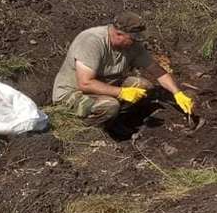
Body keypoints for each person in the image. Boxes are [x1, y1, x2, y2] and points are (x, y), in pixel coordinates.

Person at [52, 12, 194, 129]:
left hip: (105, 85)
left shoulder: (132, 45)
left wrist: (177, 93)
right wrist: (121, 92)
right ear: (118, 34)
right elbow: (85, 83)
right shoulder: (92, 41)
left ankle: (117, 120)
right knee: (109, 106)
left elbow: (156, 70)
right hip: (73, 93)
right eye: (132, 39)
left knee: (143, 86)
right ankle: (86, 129)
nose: (136, 42)